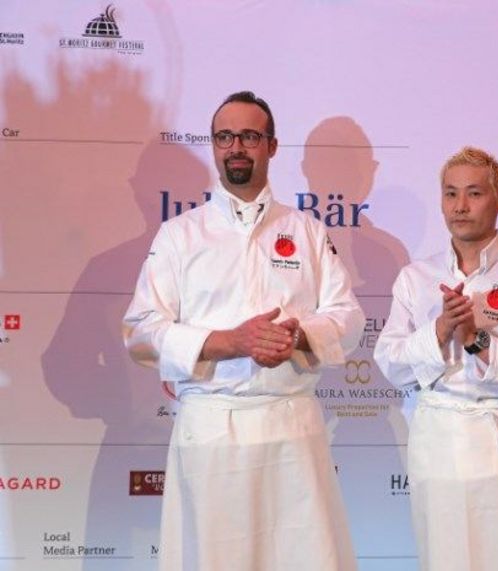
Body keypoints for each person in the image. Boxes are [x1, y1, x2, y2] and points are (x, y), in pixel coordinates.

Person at [123, 91, 364, 571]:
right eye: (225, 137)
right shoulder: (180, 235)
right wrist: (230, 342)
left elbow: (349, 318)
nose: (236, 147)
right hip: (213, 431)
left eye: (250, 136)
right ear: (214, 146)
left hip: (292, 427)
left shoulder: (307, 231)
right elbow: (142, 332)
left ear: (271, 146)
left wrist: (296, 336)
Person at [375, 146, 498, 571]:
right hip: (435, 443)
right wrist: (440, 330)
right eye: (450, 194)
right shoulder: (416, 278)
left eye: (474, 193)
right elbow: (390, 363)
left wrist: (478, 341)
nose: (460, 206)